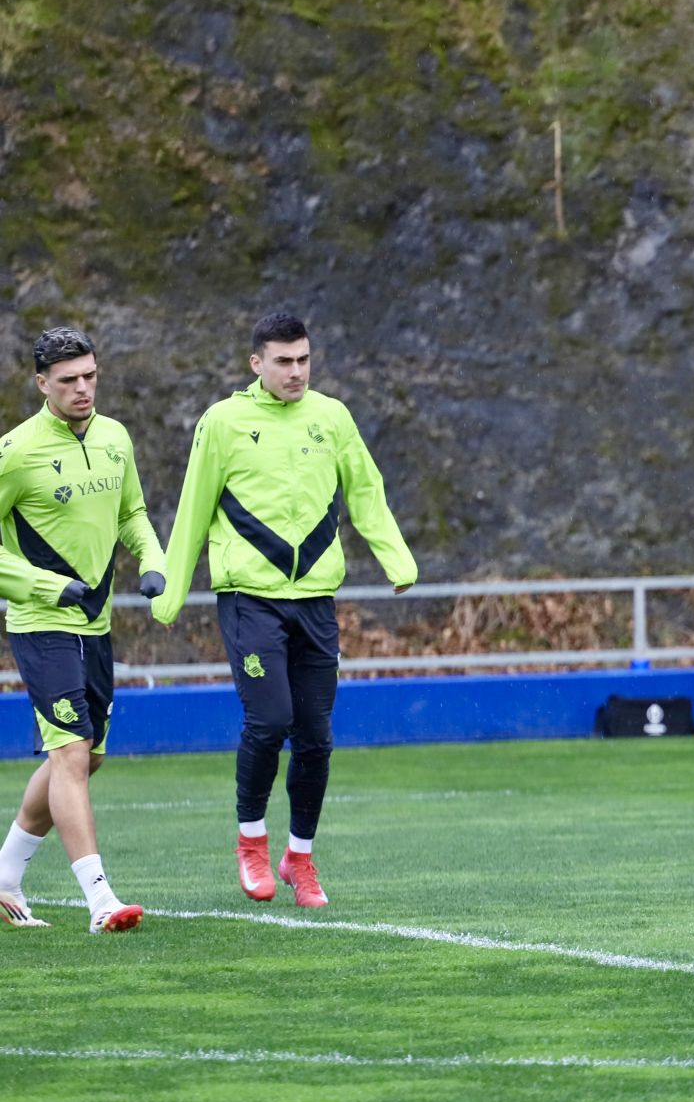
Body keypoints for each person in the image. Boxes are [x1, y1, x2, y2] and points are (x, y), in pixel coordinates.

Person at [152, 312, 417, 908]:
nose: (296, 372)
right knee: (270, 721)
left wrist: (397, 560)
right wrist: (170, 594)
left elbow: (366, 490)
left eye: (303, 360)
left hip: (315, 603)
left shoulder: (333, 417)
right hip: (250, 601)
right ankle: (251, 843)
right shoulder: (222, 422)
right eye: (283, 362)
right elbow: (194, 507)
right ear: (257, 363)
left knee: (316, 738)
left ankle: (300, 857)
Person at [0, 327, 161, 934]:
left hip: (96, 624)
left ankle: (4, 873)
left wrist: (152, 560)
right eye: (68, 380)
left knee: (85, 758)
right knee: (69, 752)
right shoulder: (16, 452)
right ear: (42, 383)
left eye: (90, 375)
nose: (83, 388)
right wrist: (43, 585)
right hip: (41, 622)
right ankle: (100, 900)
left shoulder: (115, 436)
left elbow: (132, 513)